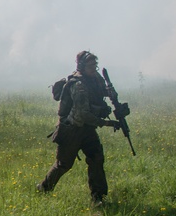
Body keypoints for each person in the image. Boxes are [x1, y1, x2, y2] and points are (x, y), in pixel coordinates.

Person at [37, 50, 121, 206]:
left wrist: (112, 94)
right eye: (90, 65)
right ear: (82, 66)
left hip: (87, 129)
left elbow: (105, 92)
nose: (93, 68)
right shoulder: (78, 84)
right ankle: (43, 188)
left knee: (96, 158)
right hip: (72, 130)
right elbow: (82, 114)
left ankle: (98, 198)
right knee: (64, 164)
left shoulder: (96, 79)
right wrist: (107, 123)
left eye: (95, 65)